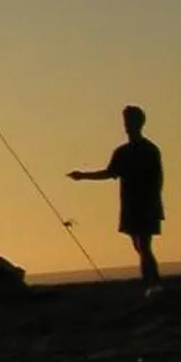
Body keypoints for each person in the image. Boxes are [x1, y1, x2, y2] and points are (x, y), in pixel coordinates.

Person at [70, 104, 164, 288]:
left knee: (144, 245)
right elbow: (109, 173)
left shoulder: (150, 150)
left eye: (130, 121)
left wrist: (153, 202)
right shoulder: (122, 152)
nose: (127, 125)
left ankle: (152, 284)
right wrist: (83, 176)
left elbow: (158, 179)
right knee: (139, 246)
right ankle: (153, 282)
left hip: (146, 204)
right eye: (126, 121)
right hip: (130, 205)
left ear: (140, 123)